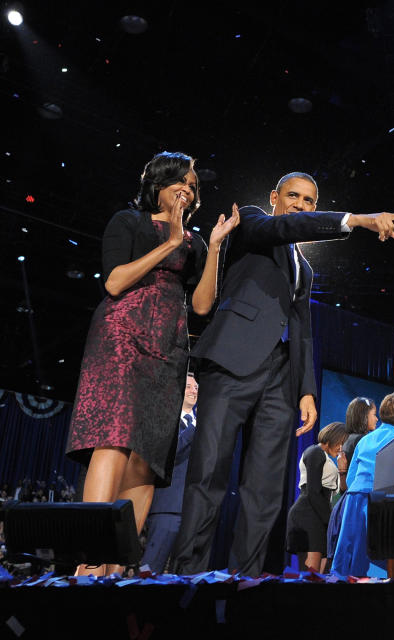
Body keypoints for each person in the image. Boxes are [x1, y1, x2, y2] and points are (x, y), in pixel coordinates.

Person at [171, 172, 394, 577]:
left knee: (264, 490)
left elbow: (303, 331)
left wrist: (306, 391)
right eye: (293, 196)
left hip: (280, 379)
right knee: (208, 473)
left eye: (309, 201)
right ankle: (186, 578)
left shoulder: (305, 269)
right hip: (231, 362)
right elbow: (283, 227)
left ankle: (245, 580)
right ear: (274, 198)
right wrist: (356, 219)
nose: (301, 205)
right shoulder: (252, 221)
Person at [66, 151, 239, 576]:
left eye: (193, 184)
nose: (187, 187)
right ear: (157, 184)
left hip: (170, 348)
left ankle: (116, 568)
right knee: (112, 440)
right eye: (179, 179)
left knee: (148, 457)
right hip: (121, 339)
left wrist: (213, 248)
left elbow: (200, 306)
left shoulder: (195, 243)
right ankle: (88, 567)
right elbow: (115, 282)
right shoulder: (128, 222)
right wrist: (168, 244)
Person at [331, 391, 394, 578]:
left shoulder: (366, 439)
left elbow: (350, 480)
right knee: (379, 550)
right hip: (380, 500)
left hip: (354, 497)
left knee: (348, 548)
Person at [141, 373, 200, 573]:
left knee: (183, 573)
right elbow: (169, 453)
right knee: (151, 567)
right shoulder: (166, 421)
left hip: (195, 509)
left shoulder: (204, 425)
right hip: (169, 506)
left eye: (196, 388)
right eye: (189, 387)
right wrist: (193, 429)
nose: (194, 391)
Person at [286, 421, 348, 573]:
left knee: (320, 578)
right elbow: (313, 491)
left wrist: (342, 470)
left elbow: (341, 491)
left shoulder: (327, 459)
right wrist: (329, 521)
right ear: (331, 438)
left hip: (320, 517)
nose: (341, 448)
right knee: (310, 577)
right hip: (308, 515)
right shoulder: (314, 452)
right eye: (340, 443)